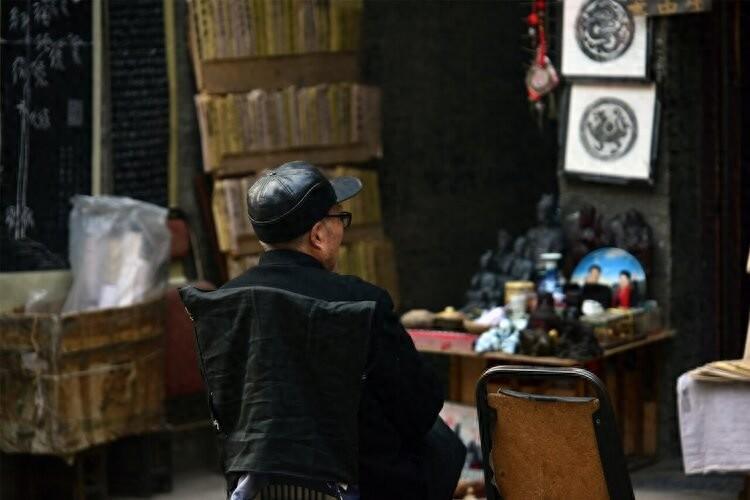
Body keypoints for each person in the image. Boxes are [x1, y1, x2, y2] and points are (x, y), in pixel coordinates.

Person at [184, 161, 465, 500]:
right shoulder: (360, 302)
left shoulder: (226, 303)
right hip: (358, 482)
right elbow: (419, 407)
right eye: (339, 218)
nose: (342, 229)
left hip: (257, 482)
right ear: (318, 235)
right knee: (442, 442)